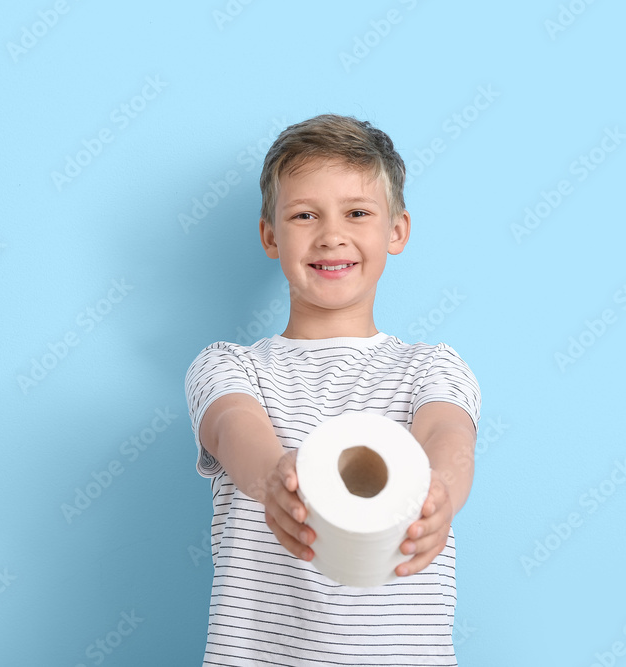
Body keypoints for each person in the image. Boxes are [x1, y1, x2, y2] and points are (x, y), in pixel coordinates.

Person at [184, 114, 481, 666]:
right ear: (270, 236)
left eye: (357, 213)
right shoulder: (229, 366)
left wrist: (441, 491)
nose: (331, 235)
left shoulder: (430, 368)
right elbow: (232, 426)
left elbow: (449, 432)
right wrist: (275, 476)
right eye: (304, 215)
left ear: (397, 231)